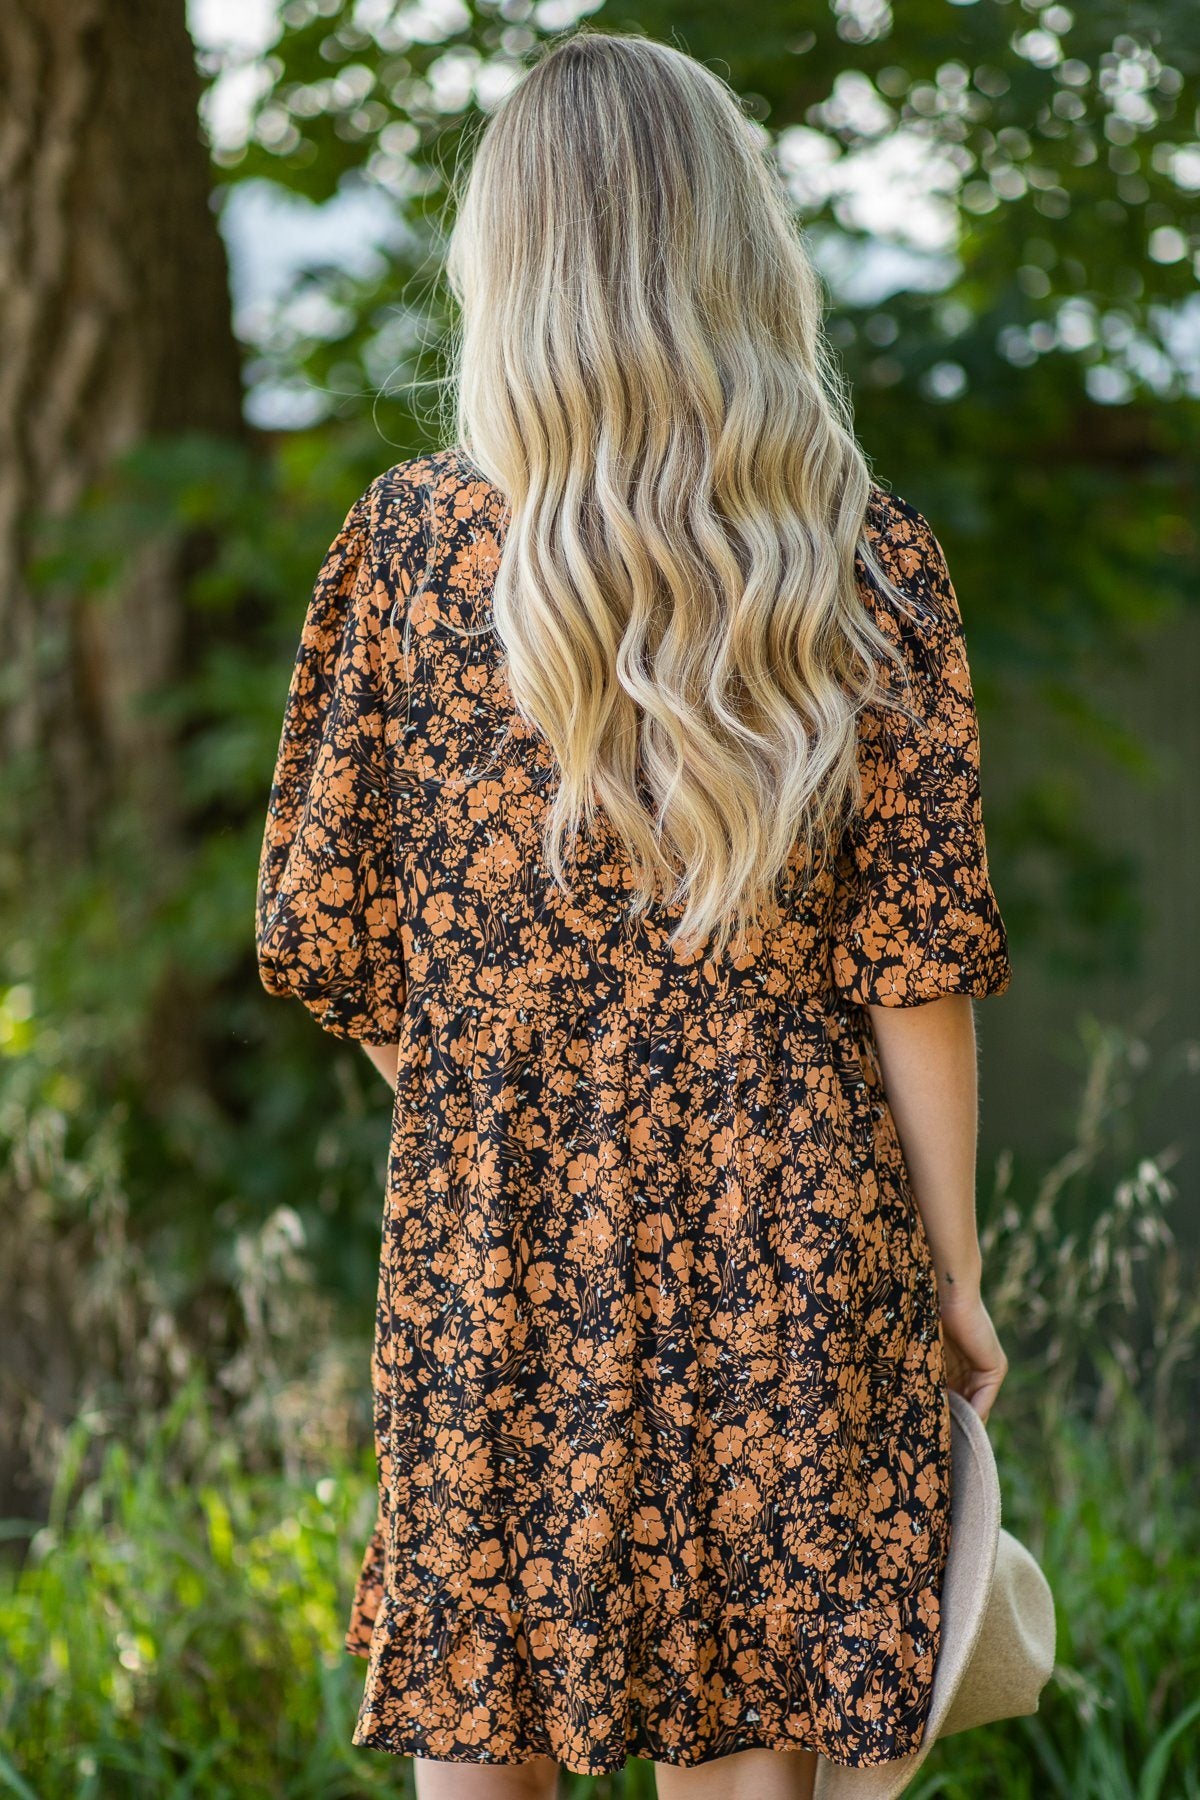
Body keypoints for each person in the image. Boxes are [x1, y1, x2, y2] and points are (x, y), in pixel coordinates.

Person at [254, 28, 1011, 1800]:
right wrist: (953, 1268)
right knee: (751, 1754)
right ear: (738, 253)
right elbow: (920, 969)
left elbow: (332, 938)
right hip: (797, 1238)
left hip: (493, 1238)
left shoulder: (407, 551)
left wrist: (512, 1114)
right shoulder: (859, 559)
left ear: (504, 263)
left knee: (483, 1731)